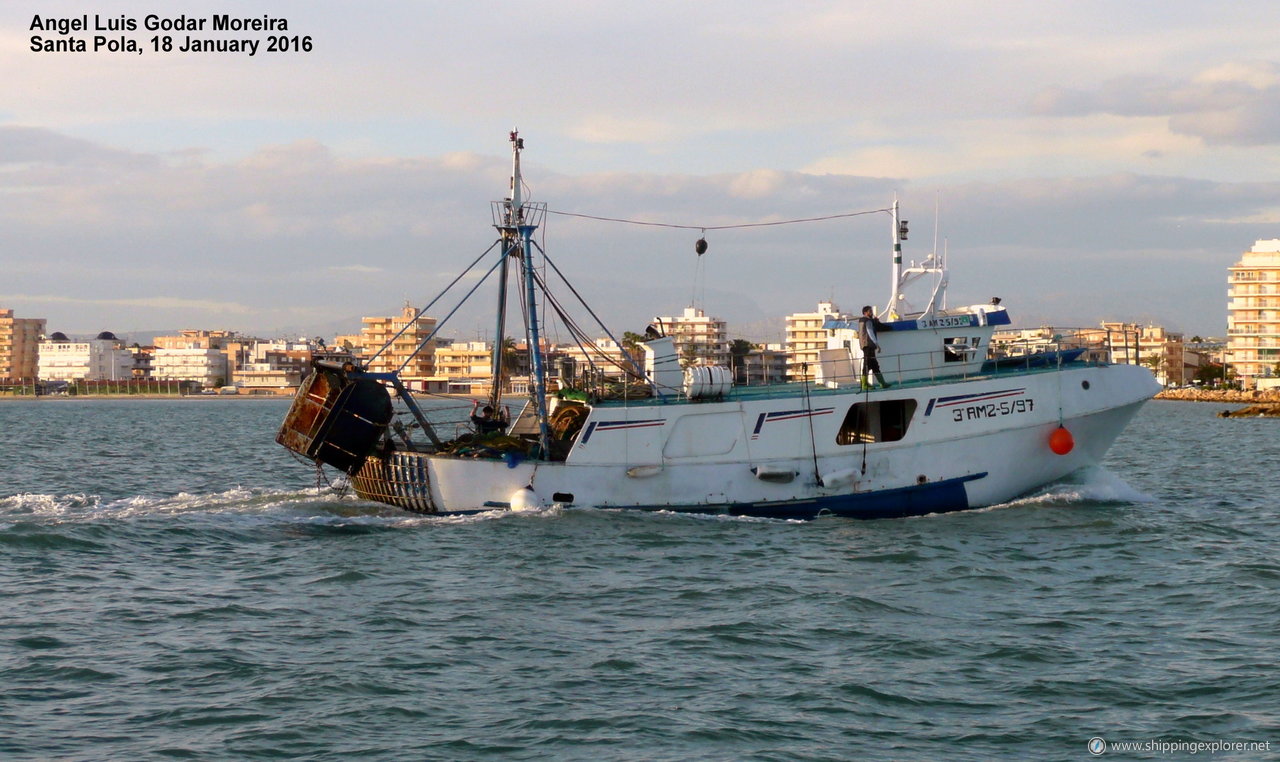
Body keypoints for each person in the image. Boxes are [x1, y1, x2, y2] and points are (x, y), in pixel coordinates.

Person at [857, 305, 892, 389]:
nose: (871, 312)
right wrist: (877, 344)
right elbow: (870, 333)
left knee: (874, 365)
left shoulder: (862, 321)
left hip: (865, 345)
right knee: (867, 364)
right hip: (868, 345)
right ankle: (864, 385)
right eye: (870, 311)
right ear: (865, 312)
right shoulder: (868, 321)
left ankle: (882, 383)